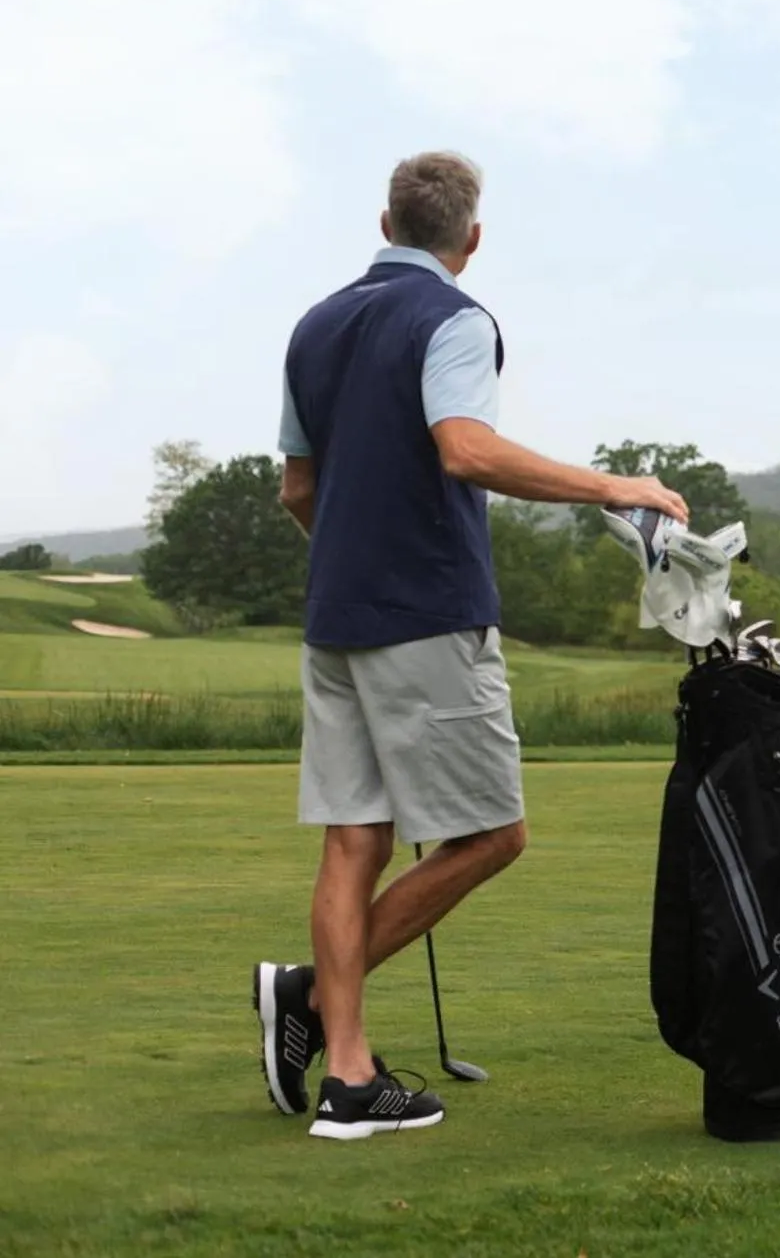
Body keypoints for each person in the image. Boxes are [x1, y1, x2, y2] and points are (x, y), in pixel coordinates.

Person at [255, 152, 690, 1140]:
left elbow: (298, 489)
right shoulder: (454, 318)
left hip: (336, 616)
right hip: (426, 616)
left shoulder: (313, 326)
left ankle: (349, 1077)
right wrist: (614, 485)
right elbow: (465, 447)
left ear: (386, 224)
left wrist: (356, 560)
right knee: (494, 834)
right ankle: (311, 1002)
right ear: (472, 239)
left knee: (356, 839)